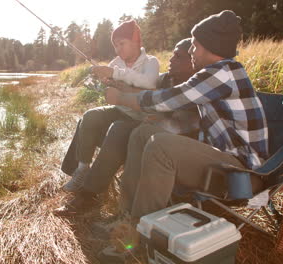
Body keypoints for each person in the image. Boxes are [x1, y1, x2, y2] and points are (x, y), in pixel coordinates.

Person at [100, 10, 269, 262]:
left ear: (211, 47)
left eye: (195, 45)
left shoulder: (223, 72)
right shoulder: (220, 73)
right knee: (143, 133)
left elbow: (171, 99)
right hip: (221, 159)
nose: (191, 51)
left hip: (241, 173)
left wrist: (122, 97)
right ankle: (127, 218)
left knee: (160, 145)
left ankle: (138, 239)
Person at [59, 38, 199, 214]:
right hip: (145, 127)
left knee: (119, 129)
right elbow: (145, 95)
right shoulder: (165, 79)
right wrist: (118, 86)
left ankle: (88, 195)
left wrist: (159, 119)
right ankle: (79, 174)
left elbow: (185, 123)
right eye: (172, 55)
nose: (171, 60)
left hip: (169, 144)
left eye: (178, 57)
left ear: (193, 60)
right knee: (89, 119)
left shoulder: (198, 87)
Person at [60, 20, 160, 193]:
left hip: (140, 117)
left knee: (115, 127)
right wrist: (104, 81)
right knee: (90, 116)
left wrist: (115, 73)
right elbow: (109, 92)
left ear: (136, 41)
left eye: (122, 43)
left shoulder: (151, 62)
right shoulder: (117, 61)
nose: (118, 49)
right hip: (120, 110)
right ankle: (82, 169)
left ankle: (91, 183)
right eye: (115, 45)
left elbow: (149, 83)